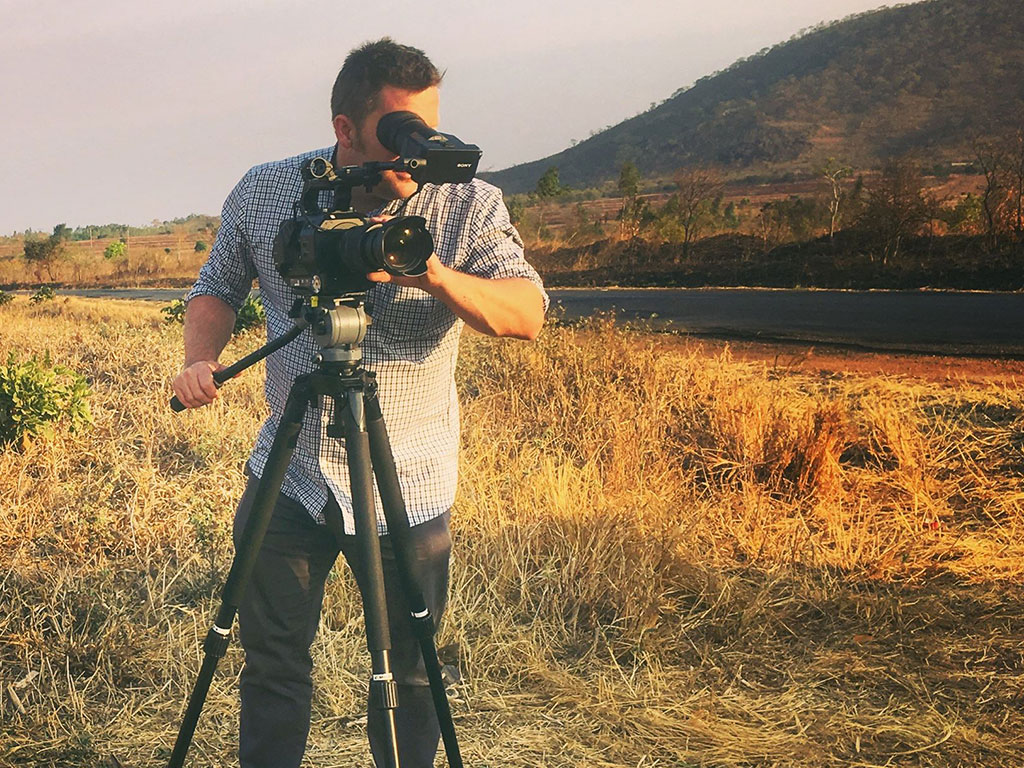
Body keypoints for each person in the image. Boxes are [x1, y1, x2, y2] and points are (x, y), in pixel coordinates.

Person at [171, 38, 546, 768]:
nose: (418, 150)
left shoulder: (467, 202)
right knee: (272, 663)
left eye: (429, 129)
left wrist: (429, 273)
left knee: (408, 673)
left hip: (409, 476)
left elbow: (526, 311)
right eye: (400, 132)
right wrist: (198, 359)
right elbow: (218, 283)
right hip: (291, 474)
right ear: (345, 128)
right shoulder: (269, 188)